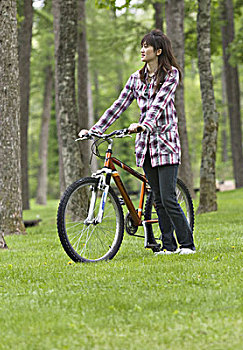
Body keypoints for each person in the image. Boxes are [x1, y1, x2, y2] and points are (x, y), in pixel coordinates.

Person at [78, 29, 195, 255]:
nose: (142, 50)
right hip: (146, 147)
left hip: (166, 143)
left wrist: (144, 124)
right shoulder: (135, 78)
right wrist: (95, 130)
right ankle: (169, 247)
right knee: (158, 200)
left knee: (169, 197)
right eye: (141, 46)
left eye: (146, 46)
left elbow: (159, 104)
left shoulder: (171, 75)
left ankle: (187, 244)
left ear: (158, 51)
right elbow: (118, 106)